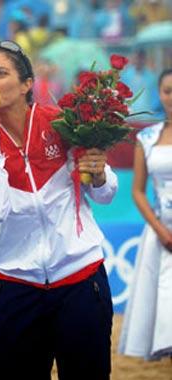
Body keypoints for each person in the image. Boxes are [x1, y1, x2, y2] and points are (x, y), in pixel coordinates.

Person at [0, 40, 118, 380]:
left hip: (81, 282)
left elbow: (103, 195)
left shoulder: (62, 124)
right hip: (17, 289)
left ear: (27, 84)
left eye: (0, 73)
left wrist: (100, 174)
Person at [119, 69, 172, 360]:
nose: (171, 97)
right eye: (167, 90)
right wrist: (160, 230)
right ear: (159, 93)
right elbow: (138, 191)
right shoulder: (147, 137)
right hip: (160, 234)